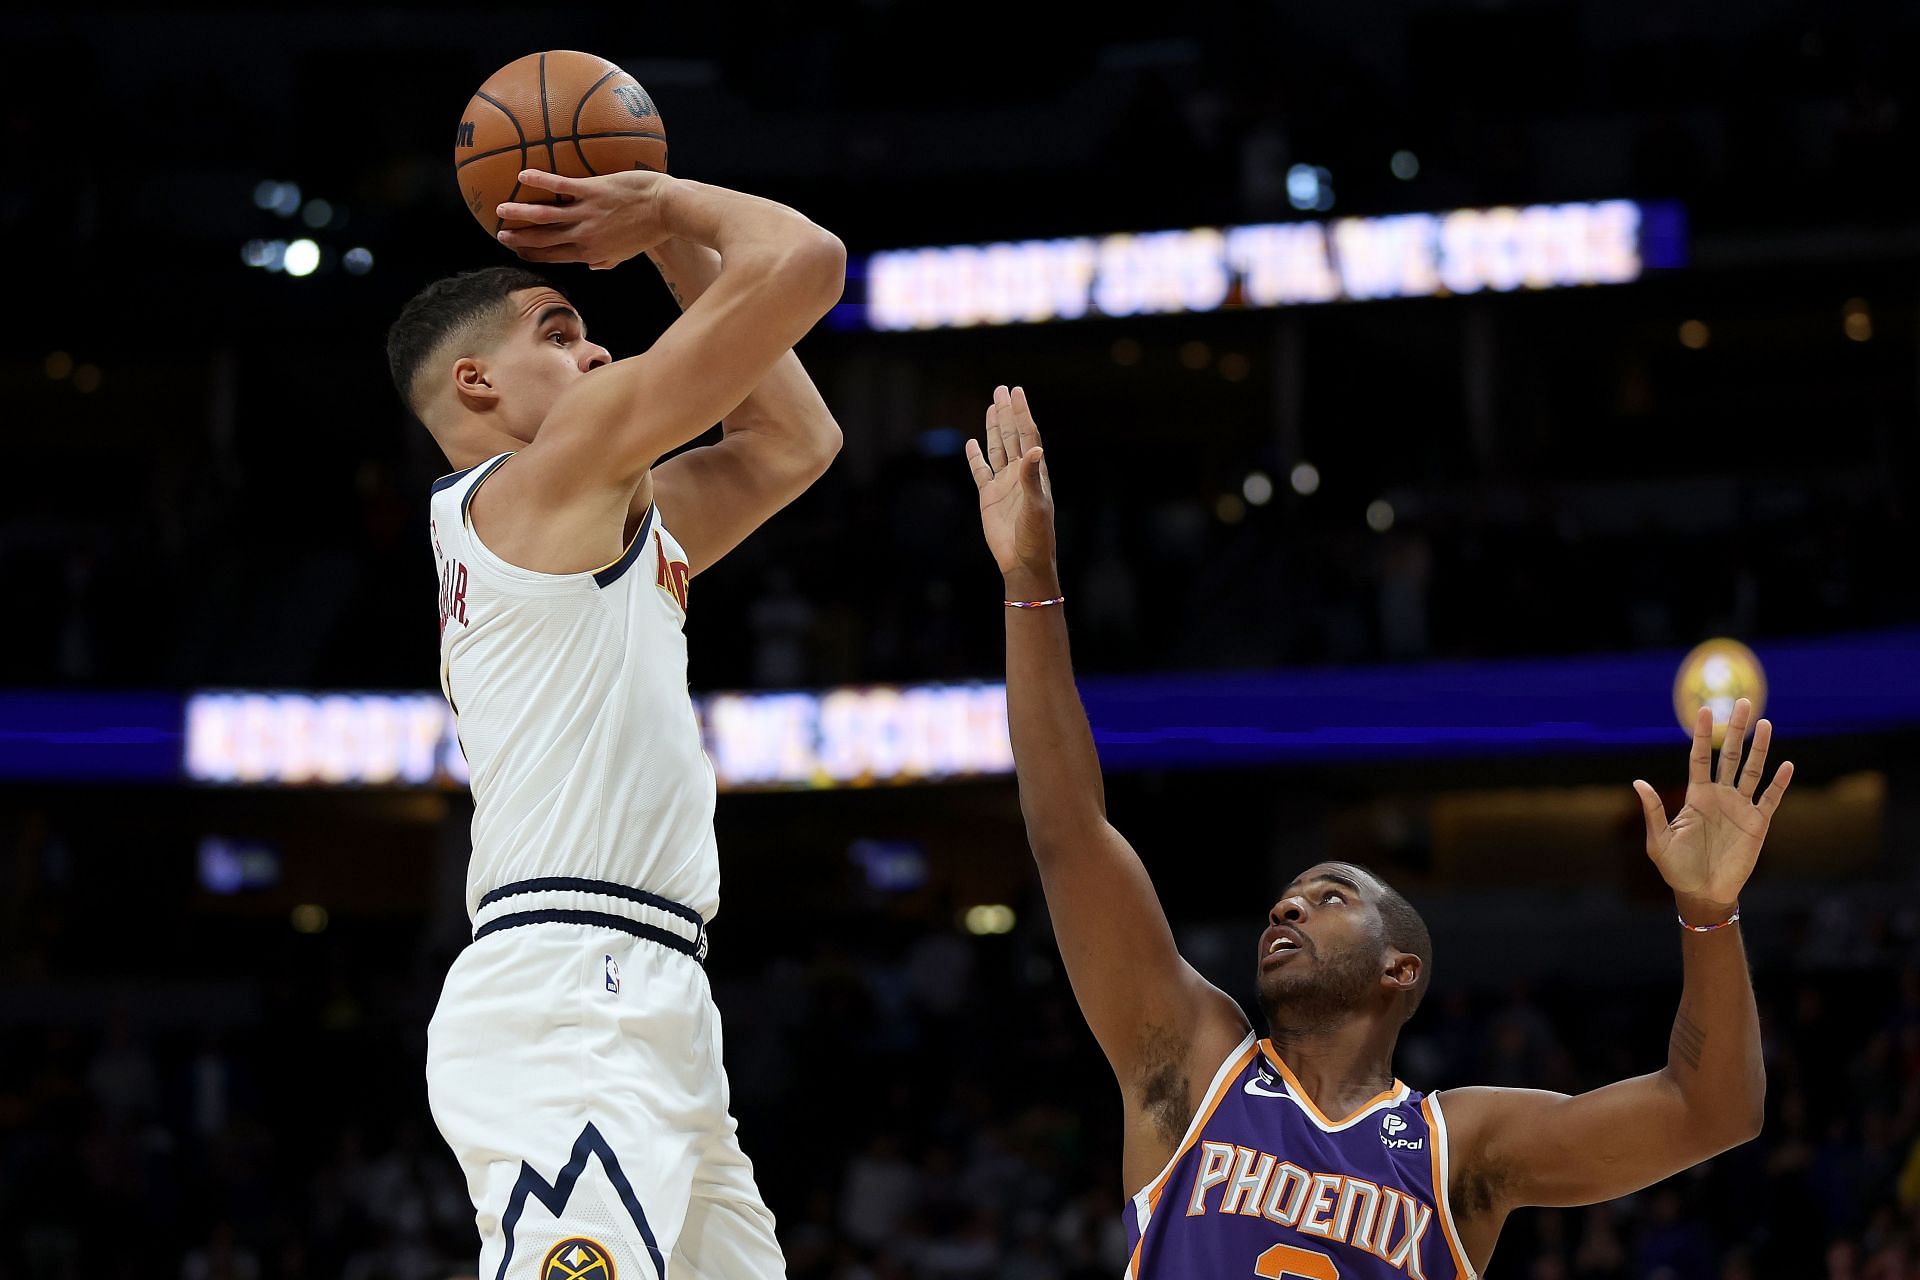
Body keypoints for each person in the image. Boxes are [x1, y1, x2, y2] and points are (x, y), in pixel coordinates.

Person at [963, 385, 1793, 1279]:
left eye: (1331, 897)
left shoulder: (1459, 1149)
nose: (1290, 904)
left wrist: (1709, 911)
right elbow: (1068, 830)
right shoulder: (1194, 1063)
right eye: (1290, 896)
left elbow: (1711, 1112)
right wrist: (1032, 582)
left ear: (1401, 969)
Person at [384, 166, 845, 1279]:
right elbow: (805, 261)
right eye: (562, 331)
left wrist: (663, 243)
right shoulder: (537, 489)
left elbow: (793, 441)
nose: (593, 354)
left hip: (649, 991)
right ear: (476, 380)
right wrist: (667, 205)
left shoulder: (590, 507)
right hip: (570, 989)